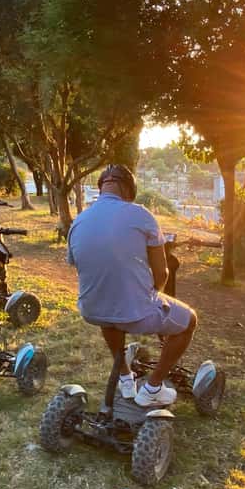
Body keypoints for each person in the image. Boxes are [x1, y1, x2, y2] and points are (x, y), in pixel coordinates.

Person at [66, 164, 197, 407]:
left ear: (102, 187)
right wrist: (154, 296)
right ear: (129, 189)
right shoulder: (141, 214)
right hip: (134, 313)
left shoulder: (79, 221)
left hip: (92, 310)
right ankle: (153, 387)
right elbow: (162, 272)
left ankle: (126, 378)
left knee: (110, 312)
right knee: (189, 320)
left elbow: (82, 264)